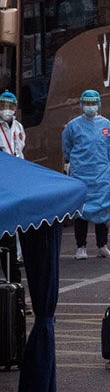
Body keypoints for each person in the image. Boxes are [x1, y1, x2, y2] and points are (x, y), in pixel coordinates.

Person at [62, 89, 110, 260]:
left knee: (103, 208)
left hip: (102, 174)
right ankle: (81, 246)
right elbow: (67, 148)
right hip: (81, 173)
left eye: (93, 103)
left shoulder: (106, 125)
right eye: (87, 103)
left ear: (99, 104)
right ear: (81, 105)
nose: (90, 107)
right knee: (81, 211)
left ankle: (102, 246)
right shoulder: (73, 126)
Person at [0, 91, 25, 284]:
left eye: (10, 106)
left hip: (17, 174)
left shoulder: (18, 127)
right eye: (3, 106)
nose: (7, 110)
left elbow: (20, 149)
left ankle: (17, 252)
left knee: (18, 218)